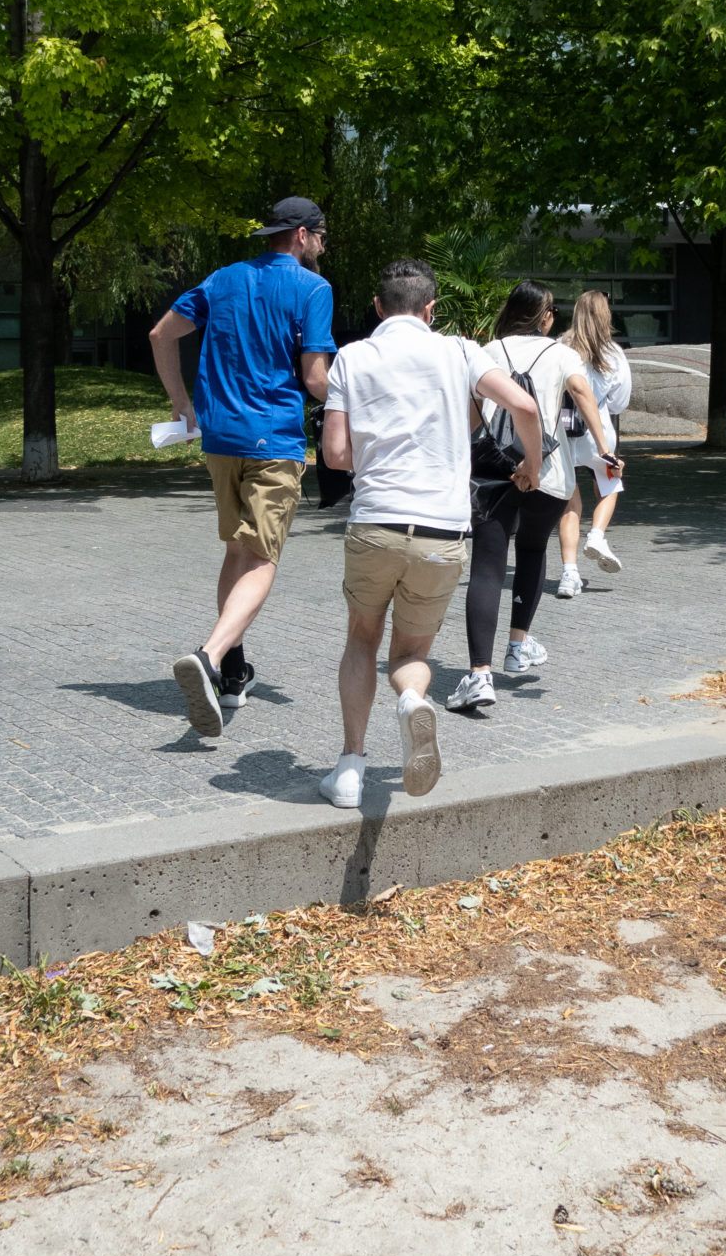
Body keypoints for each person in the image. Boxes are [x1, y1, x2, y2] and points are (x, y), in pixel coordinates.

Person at [319, 258, 544, 809]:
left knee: (362, 639)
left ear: (378, 307)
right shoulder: (460, 352)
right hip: (442, 531)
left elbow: (336, 453)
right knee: (412, 650)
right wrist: (532, 466)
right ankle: (412, 701)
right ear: (431, 309)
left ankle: (349, 769)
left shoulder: (352, 357)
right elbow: (523, 404)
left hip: (375, 522)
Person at [150, 196, 333, 738]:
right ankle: (208, 658)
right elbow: (316, 380)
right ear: (301, 235)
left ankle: (232, 675)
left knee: (237, 549)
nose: (323, 247)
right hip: (273, 439)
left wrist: (180, 403)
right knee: (262, 558)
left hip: (220, 437)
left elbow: (161, 335)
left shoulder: (223, 279)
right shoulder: (313, 289)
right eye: (322, 237)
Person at [448, 280, 622, 713]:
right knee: (531, 551)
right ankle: (517, 646)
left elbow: (472, 413)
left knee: (488, 566)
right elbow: (582, 394)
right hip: (549, 471)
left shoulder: (488, 351)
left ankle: (480, 673)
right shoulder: (561, 354)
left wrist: (457, 457)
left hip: (495, 471)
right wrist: (604, 449)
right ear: (544, 317)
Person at [555, 288, 633, 596]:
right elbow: (619, 403)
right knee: (610, 486)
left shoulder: (559, 347)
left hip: (562, 434)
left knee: (569, 505)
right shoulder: (613, 353)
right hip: (598, 436)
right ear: (605, 316)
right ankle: (597, 535)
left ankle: (569, 574)